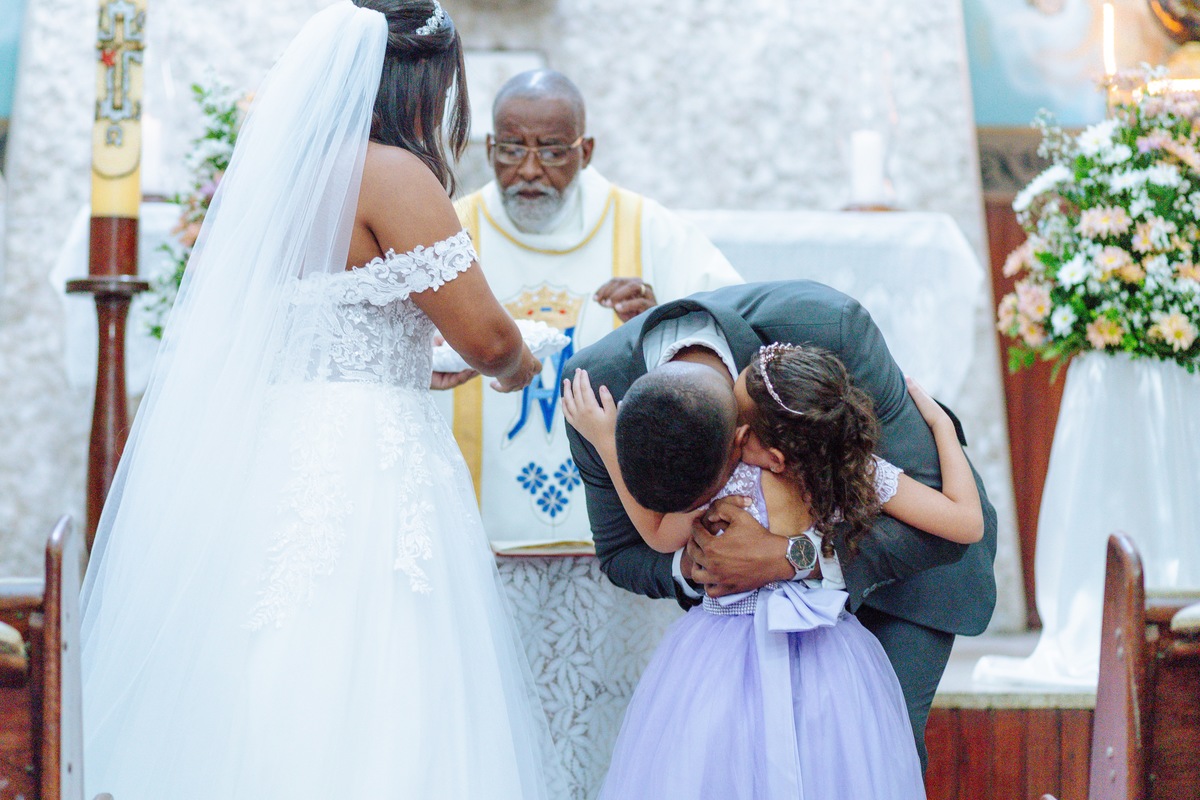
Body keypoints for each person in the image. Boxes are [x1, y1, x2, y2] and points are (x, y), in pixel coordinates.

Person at [79, 3, 562, 797]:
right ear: (422, 83)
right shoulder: (393, 175)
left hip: (276, 443)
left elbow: (318, 318)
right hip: (365, 457)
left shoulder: (280, 176)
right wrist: (518, 368)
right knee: (376, 657)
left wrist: (411, 356)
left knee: (270, 653)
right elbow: (489, 339)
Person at [562, 281, 999, 770]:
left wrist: (790, 558)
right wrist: (707, 566)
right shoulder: (820, 455)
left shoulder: (829, 340)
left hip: (905, 584)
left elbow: (659, 534)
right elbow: (627, 554)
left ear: (750, 443)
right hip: (807, 645)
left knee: (862, 759)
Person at [439, 68, 743, 548]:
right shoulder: (448, 230)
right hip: (477, 538)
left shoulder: (645, 227)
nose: (530, 170)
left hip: (620, 538)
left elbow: (735, 333)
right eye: (512, 149)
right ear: (491, 147)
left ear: (586, 151)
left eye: (553, 151)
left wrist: (663, 323)